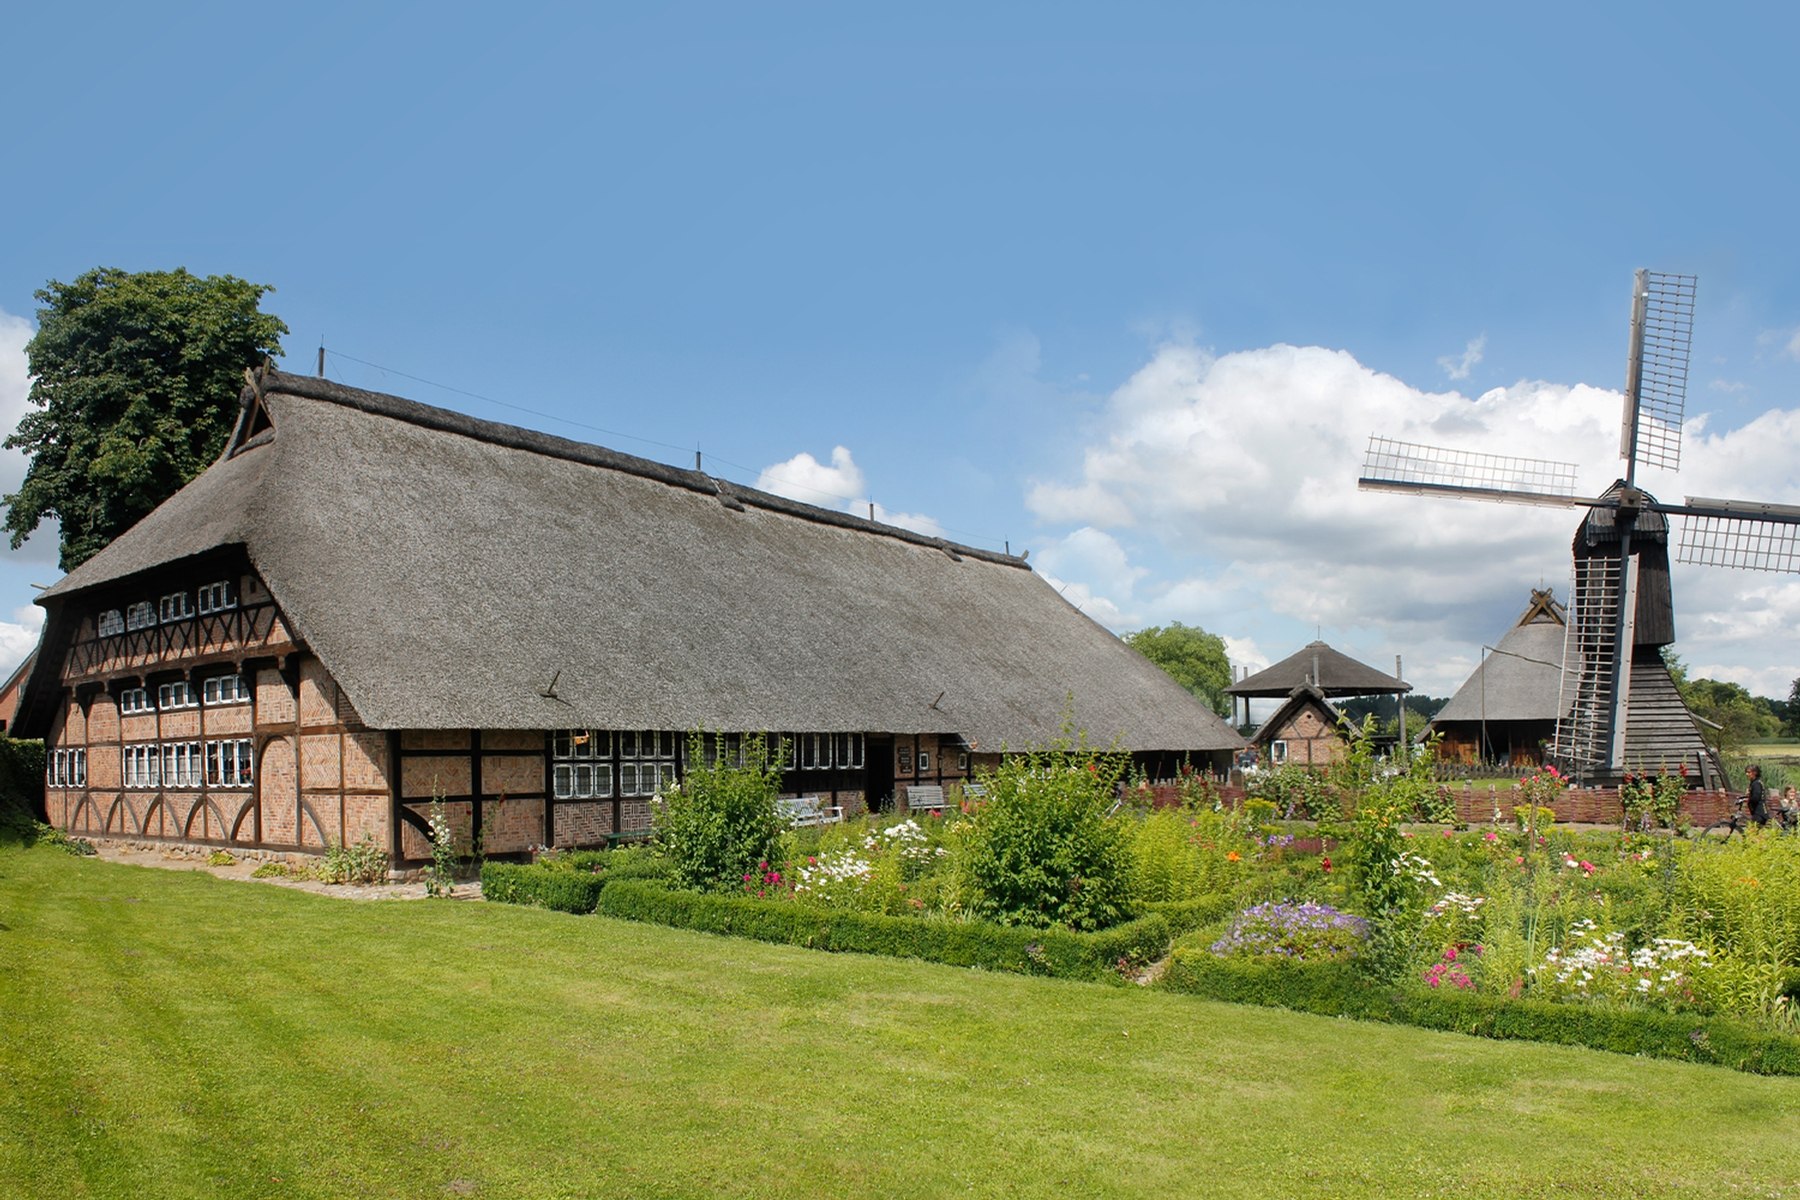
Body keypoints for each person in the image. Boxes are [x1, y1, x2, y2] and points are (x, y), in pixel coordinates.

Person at [1745, 764, 1769, 828]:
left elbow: (1756, 798)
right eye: (1746, 772)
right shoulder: (1755, 782)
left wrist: (1748, 796)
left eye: (1749, 772)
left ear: (1755, 772)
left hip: (1759, 812)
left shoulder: (1756, 784)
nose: (1747, 774)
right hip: (1758, 812)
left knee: (1753, 831)